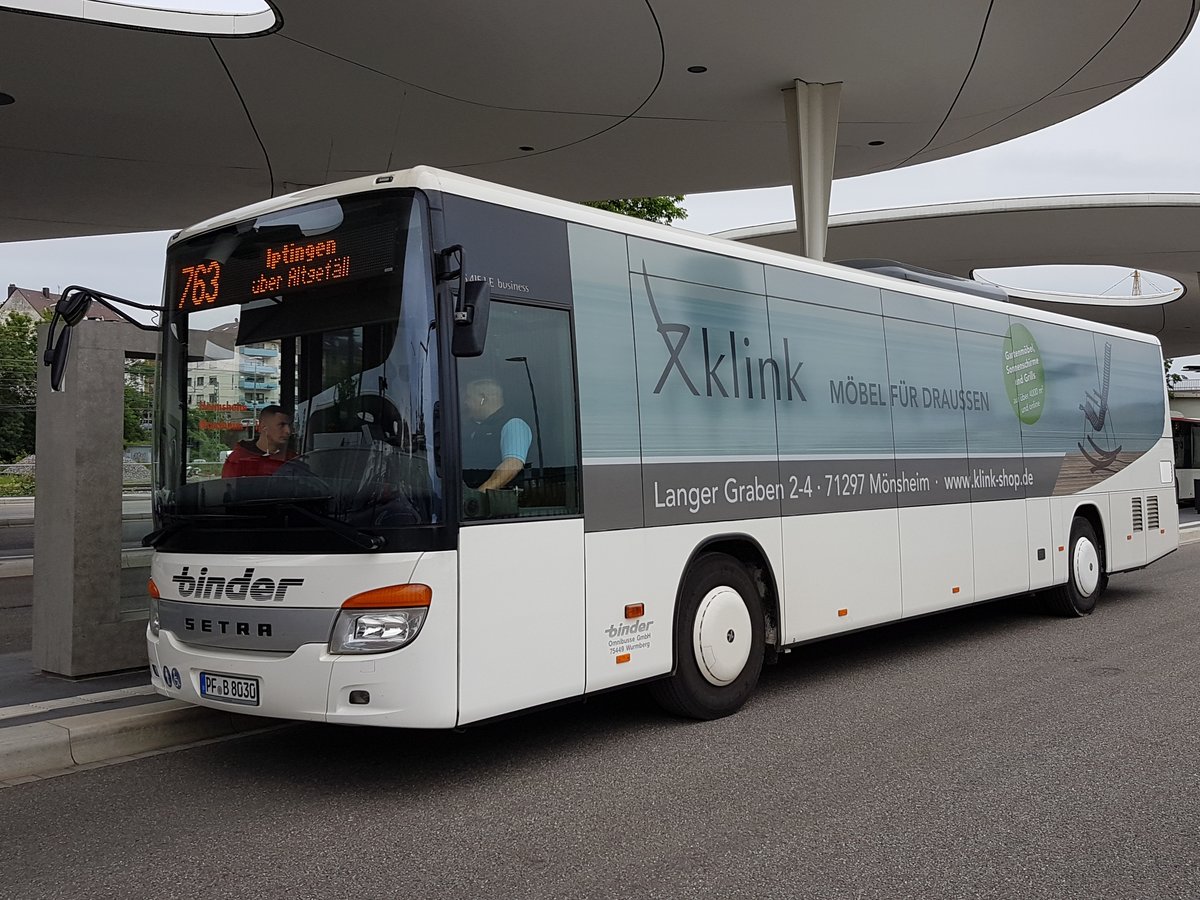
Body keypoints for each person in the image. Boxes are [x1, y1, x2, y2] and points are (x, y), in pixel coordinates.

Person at [460, 377, 532, 491]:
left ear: (482, 398)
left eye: (468, 397)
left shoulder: (513, 424)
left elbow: (512, 465)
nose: (465, 402)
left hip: (497, 505)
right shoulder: (474, 427)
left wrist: (478, 496)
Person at [221, 405, 297, 477]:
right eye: (282, 425)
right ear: (263, 427)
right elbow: (228, 488)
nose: (288, 431)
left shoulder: (294, 460)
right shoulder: (239, 461)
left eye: (289, 425)